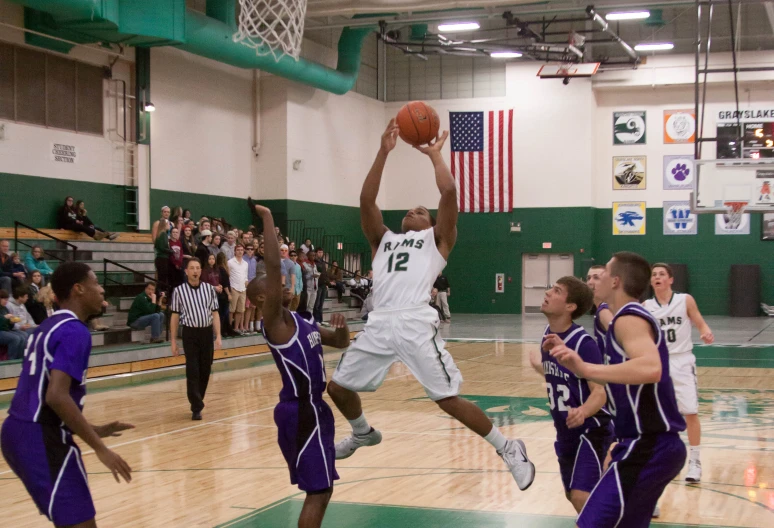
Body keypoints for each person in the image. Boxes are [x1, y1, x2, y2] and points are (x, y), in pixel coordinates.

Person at [326, 120, 535, 490]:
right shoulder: (382, 239)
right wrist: (383, 152)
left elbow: (450, 192)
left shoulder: (438, 241)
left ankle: (507, 447)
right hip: (379, 324)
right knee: (339, 387)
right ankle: (362, 433)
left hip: (413, 324)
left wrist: (436, 155)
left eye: (421, 210)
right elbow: (366, 201)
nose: (413, 210)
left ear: (432, 222)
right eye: (409, 208)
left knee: (447, 399)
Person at [549, 252, 687, 528]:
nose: (594, 281)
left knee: (590, 523)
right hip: (643, 443)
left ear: (615, 281)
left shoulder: (627, 318)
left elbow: (651, 368)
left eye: (601, 275)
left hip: (650, 444)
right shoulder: (622, 320)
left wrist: (586, 369)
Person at [1, 262, 133, 527]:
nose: (102, 290)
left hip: (20, 430)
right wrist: (100, 448)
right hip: (40, 436)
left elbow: (42, 395)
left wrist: (94, 429)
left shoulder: (49, 326)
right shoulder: (75, 331)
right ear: (79, 289)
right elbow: (56, 396)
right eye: (96, 283)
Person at [247, 200, 350, 528]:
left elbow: (338, 342)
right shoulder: (275, 323)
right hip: (301, 411)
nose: (286, 285)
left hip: (313, 410)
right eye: (276, 287)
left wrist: (343, 331)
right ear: (263, 300)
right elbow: (275, 268)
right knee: (318, 492)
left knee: (324, 490)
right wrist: (269, 220)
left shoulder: (300, 321)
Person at [529, 276, 613, 513]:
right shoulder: (548, 334)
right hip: (565, 432)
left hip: (591, 429)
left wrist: (583, 411)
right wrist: (540, 367)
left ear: (570, 307)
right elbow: (561, 377)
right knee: (573, 497)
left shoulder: (583, 343)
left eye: (556, 291)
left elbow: (600, 392)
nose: (548, 293)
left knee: (580, 496)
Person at [643, 263, 714, 483]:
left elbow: (699, 321)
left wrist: (705, 331)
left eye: (662, 274)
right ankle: (665, 459)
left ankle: (695, 461)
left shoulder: (685, 300)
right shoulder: (646, 305)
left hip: (682, 360)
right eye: (654, 275)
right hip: (659, 363)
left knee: (690, 411)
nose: (657, 277)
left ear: (671, 279)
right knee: (658, 414)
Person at [170, 258, 222, 420]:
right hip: (190, 334)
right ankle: (196, 406)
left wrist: (218, 335)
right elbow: (174, 316)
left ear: (201, 271)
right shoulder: (179, 291)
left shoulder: (209, 289)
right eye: (192, 268)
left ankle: (198, 399)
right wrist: (173, 341)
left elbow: (215, 313)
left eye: (198, 268)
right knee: (192, 369)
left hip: (206, 333)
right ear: (186, 271)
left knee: (205, 369)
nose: (195, 271)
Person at [228, 245, 249, 335]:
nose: (240, 252)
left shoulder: (245, 263)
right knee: (231, 310)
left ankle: (236, 328)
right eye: (238, 250)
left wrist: (246, 283)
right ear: (235, 251)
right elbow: (228, 275)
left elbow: (245, 276)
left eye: (241, 250)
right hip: (234, 288)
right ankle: (229, 328)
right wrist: (230, 288)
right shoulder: (230, 262)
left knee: (240, 310)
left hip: (243, 288)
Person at [0, 289, 27, 360]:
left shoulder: (5, 308)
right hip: (1, 331)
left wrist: (11, 322)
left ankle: (20, 358)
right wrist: (4, 318)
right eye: (4, 299)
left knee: (24, 336)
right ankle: (12, 359)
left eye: (7, 300)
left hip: (6, 329)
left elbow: (9, 325)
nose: (6, 301)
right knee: (15, 339)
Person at [213, 253, 235, 337]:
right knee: (223, 313)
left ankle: (226, 329)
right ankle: (222, 330)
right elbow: (225, 283)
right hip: (224, 294)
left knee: (224, 313)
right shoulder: (222, 269)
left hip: (222, 293)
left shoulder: (218, 269)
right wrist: (228, 293)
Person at [154, 218, 172, 294]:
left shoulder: (160, 234)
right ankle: (161, 294)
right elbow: (162, 247)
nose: (169, 226)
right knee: (162, 279)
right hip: (162, 259)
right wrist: (171, 251)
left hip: (161, 258)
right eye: (168, 224)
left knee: (161, 278)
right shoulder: (163, 234)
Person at [313, 248, 328, 324]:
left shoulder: (323, 262)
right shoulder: (314, 262)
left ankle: (320, 319)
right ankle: (316, 319)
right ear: (316, 253)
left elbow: (325, 273)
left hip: (323, 284)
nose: (320, 254)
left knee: (321, 303)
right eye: (319, 252)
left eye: (322, 252)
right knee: (317, 303)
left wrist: (327, 284)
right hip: (318, 284)